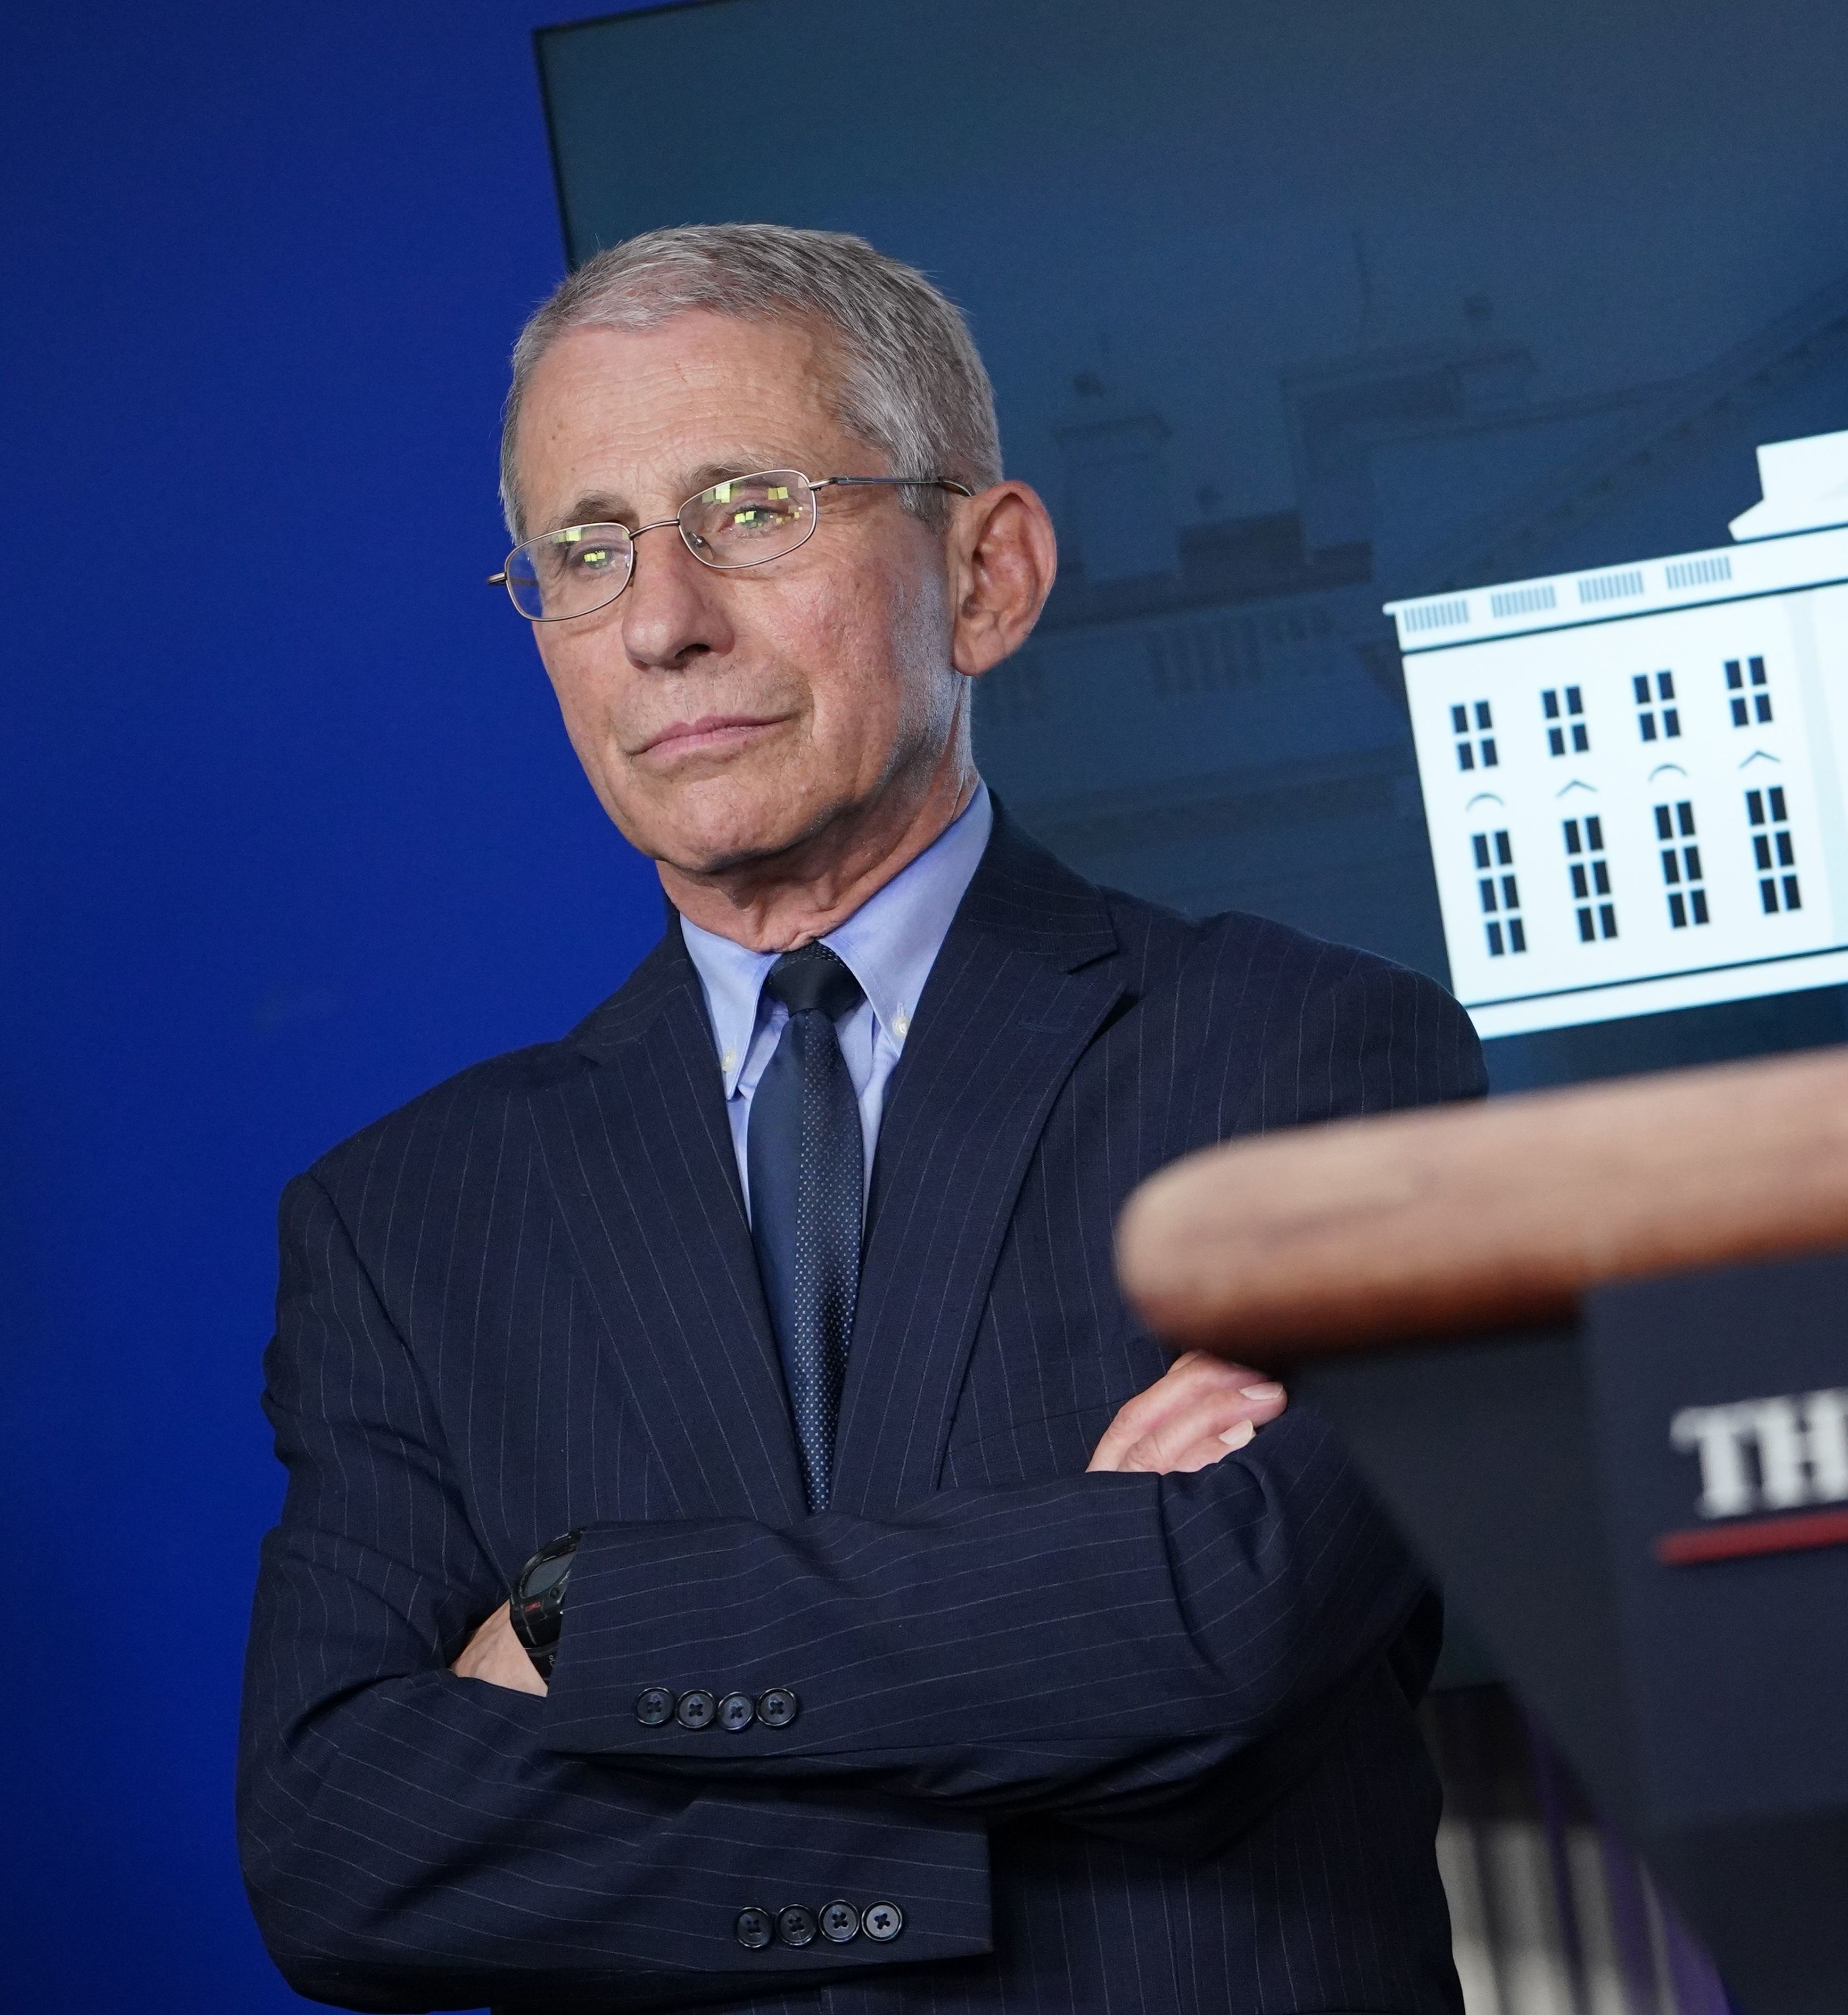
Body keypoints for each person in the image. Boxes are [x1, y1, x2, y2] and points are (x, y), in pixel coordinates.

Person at [237, 223, 1483, 2014]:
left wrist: (588, 1615)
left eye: (749, 508)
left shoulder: (1314, 1056)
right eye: (582, 552)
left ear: (987, 574)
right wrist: (1009, 1718)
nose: (661, 619)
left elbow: (1223, 1622)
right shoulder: (408, 1224)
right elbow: (338, 1846)